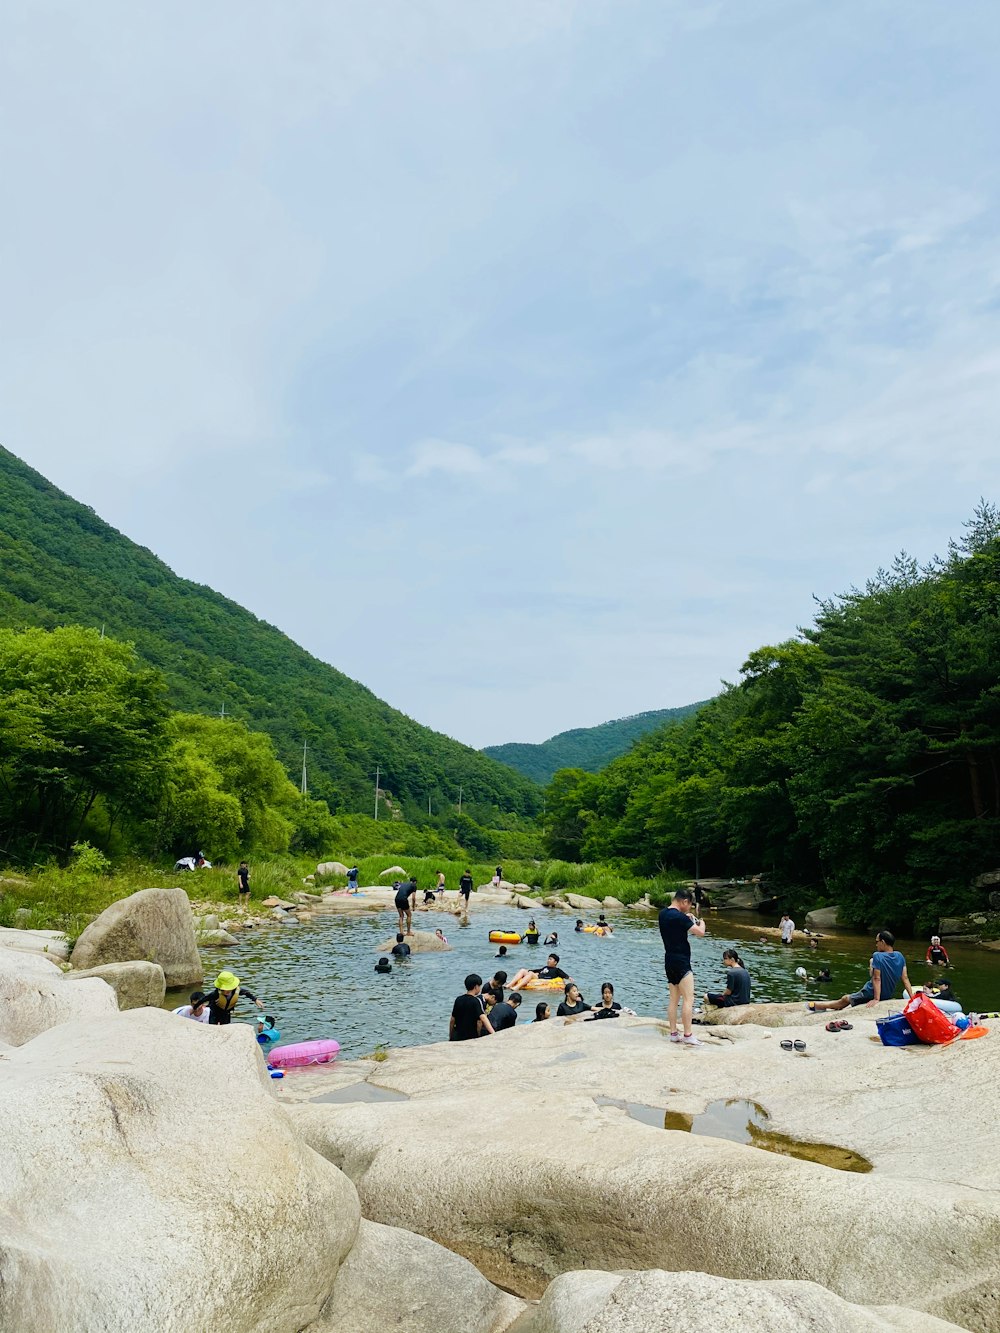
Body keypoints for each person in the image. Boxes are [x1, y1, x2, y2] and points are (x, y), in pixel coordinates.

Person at [808, 931, 913, 1012]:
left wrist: (876, 999)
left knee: (845, 999)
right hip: (887, 994)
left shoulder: (878, 956)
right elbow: (905, 978)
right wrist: (912, 997)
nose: (876, 945)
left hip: (870, 992)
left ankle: (821, 1006)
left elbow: (877, 978)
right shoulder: (900, 955)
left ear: (883, 942)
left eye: (877, 942)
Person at [659, 887, 706, 1046]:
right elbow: (700, 932)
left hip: (669, 959)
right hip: (681, 961)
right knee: (688, 999)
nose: (690, 908)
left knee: (673, 999)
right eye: (690, 905)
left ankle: (673, 1033)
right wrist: (701, 922)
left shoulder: (663, 914)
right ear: (684, 901)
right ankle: (688, 1035)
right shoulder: (680, 918)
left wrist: (686, 917)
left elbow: (676, 922)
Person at [450, 973, 494, 1040]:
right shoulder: (476, 1001)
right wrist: (493, 1033)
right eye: (480, 986)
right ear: (476, 987)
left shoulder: (458, 999)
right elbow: (482, 1018)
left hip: (458, 1035)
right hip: (470, 1035)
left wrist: (451, 1035)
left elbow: (452, 1020)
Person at [505, 953, 571, 992]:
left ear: (555, 962)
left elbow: (564, 975)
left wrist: (569, 978)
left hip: (543, 980)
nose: (548, 960)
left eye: (550, 959)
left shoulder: (557, 970)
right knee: (523, 970)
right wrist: (529, 970)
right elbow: (538, 970)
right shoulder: (545, 967)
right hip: (538, 977)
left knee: (530, 973)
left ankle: (517, 987)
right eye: (548, 959)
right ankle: (509, 985)